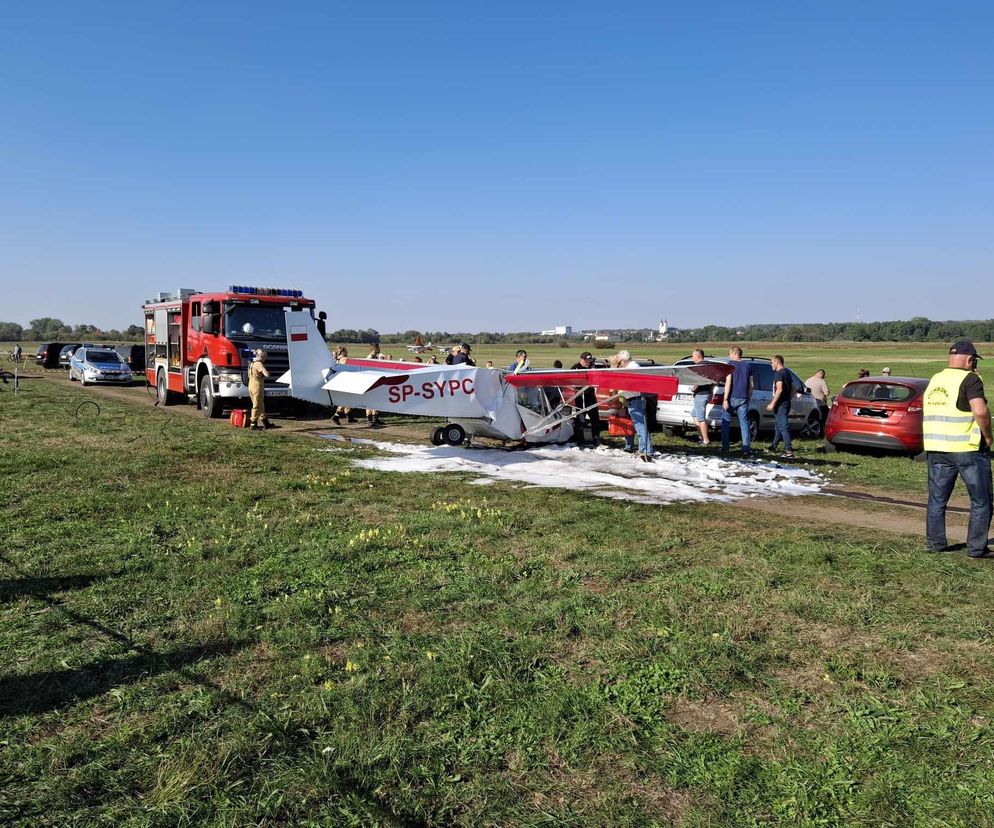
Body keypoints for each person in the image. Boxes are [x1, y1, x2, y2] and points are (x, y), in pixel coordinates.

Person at [924, 339, 993, 558]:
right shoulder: (970, 378)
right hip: (967, 448)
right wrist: (988, 436)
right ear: (970, 359)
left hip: (936, 448)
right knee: (981, 500)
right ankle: (976, 548)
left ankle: (936, 544)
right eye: (975, 362)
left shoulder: (936, 379)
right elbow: (980, 411)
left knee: (937, 500)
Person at [616, 350, 653, 461]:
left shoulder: (632, 368)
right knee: (639, 426)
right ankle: (643, 449)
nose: (620, 365)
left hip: (635, 400)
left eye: (620, 362)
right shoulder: (633, 367)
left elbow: (630, 385)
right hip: (633, 400)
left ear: (624, 361)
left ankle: (646, 450)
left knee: (641, 426)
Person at [720, 347, 753, 454]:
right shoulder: (748, 366)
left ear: (734, 354)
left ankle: (725, 446)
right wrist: (748, 397)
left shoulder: (730, 364)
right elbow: (751, 385)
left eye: (730, 353)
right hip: (743, 398)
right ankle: (746, 447)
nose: (729, 355)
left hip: (732, 397)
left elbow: (728, 382)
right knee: (744, 423)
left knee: (726, 422)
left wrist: (725, 399)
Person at [570, 350, 601, 449]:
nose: (588, 362)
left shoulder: (592, 368)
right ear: (582, 359)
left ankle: (596, 439)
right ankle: (580, 440)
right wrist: (576, 387)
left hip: (590, 396)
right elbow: (570, 382)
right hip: (580, 397)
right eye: (586, 360)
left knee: (595, 419)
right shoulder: (575, 368)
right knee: (580, 420)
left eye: (589, 360)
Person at [767, 354, 794, 458]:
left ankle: (789, 450)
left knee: (783, 427)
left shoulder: (779, 374)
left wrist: (772, 403)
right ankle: (773, 446)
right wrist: (789, 398)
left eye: (772, 362)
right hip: (786, 402)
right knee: (778, 426)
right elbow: (794, 388)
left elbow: (779, 389)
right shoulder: (787, 372)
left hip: (781, 404)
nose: (771, 365)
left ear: (777, 362)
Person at [689, 349, 714, 445]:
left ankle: (706, 440)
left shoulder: (698, 366)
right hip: (707, 392)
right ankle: (701, 436)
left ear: (698, 356)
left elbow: (698, 380)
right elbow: (714, 380)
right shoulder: (710, 365)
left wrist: (694, 389)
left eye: (693, 356)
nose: (692, 358)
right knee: (694, 414)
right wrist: (711, 389)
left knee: (700, 417)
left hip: (701, 394)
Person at [248, 349, 276, 429]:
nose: (265, 358)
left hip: (251, 385)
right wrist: (268, 372)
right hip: (257, 386)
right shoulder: (259, 364)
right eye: (264, 356)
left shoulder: (251, 363)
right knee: (257, 405)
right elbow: (266, 374)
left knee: (260, 404)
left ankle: (265, 422)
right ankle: (253, 423)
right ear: (260, 356)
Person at [331, 347, 356, 425]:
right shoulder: (345, 359)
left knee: (346, 399)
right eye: (346, 351)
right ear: (343, 352)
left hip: (339, 380)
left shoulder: (336, 359)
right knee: (346, 399)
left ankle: (349, 416)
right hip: (346, 380)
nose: (347, 353)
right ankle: (336, 416)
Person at [366, 345, 383, 426]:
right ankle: (369, 420)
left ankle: (375, 419)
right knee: (369, 401)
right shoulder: (370, 357)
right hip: (370, 381)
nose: (379, 349)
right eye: (378, 348)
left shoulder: (376, 357)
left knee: (376, 401)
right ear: (375, 348)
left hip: (376, 381)